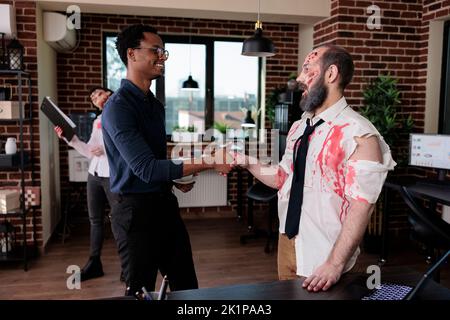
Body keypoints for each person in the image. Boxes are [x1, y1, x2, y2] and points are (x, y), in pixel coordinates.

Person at [233, 44, 396, 292]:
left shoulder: (360, 135)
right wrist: (244, 160)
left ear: (331, 74)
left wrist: (334, 263)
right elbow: (282, 179)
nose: (299, 78)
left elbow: (362, 207)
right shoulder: (300, 127)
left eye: (307, 68)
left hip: (325, 253)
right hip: (287, 241)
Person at [102, 24, 231, 296]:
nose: (162, 57)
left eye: (164, 51)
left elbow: (154, 158)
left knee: (187, 286)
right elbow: (146, 169)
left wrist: (173, 177)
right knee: (141, 291)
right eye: (155, 50)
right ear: (132, 54)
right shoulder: (118, 107)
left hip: (165, 206)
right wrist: (209, 160)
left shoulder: (155, 105)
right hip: (135, 213)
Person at [55, 86, 125, 282]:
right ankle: (94, 263)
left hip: (113, 176)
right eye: (93, 97)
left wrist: (104, 149)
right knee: (95, 221)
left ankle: (128, 266)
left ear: (109, 94)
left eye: (99, 93)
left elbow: (124, 146)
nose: (96, 98)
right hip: (94, 175)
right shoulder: (98, 121)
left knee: (118, 221)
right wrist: (70, 139)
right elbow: (89, 151)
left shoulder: (121, 115)